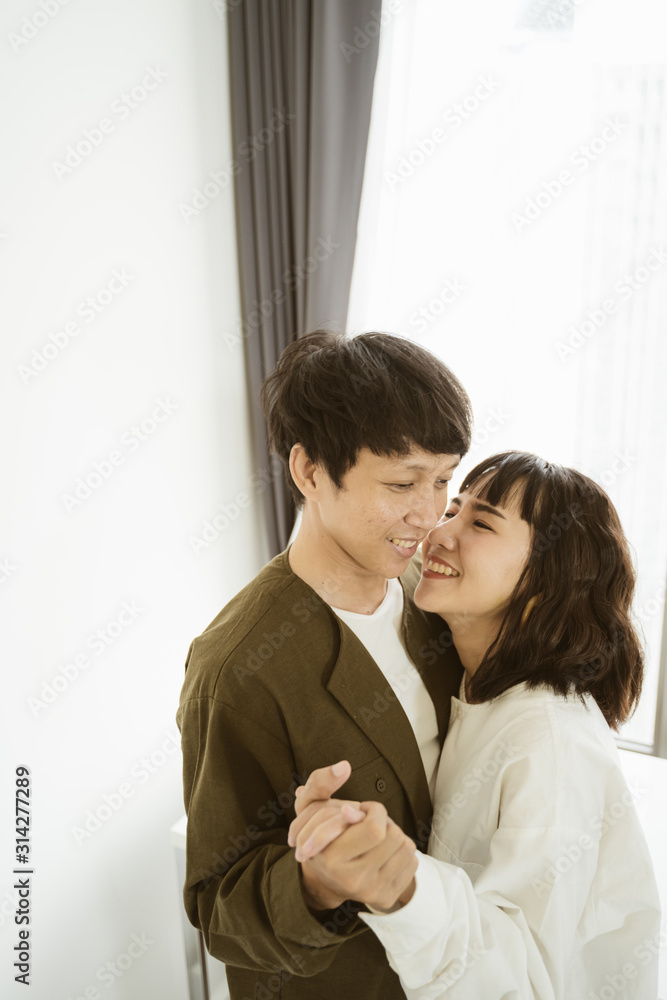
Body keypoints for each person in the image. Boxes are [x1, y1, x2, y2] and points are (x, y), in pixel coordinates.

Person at [288, 451, 662, 999]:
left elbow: (526, 982)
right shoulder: (476, 687)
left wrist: (402, 888)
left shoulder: (551, 744)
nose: (437, 533)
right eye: (452, 510)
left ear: (547, 584)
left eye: (482, 524)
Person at [176, 329, 474, 1000]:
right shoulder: (237, 669)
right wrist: (315, 883)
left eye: (443, 480)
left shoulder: (430, 592)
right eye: (401, 483)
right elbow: (218, 909)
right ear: (310, 471)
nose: (429, 515)